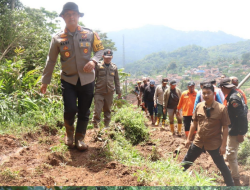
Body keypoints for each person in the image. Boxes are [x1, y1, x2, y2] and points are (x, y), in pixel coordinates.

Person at [40, 2, 104, 151]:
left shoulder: (89, 34)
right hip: (68, 79)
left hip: (87, 80)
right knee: (69, 108)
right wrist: (45, 81)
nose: (71, 17)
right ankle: (69, 134)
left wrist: (94, 61)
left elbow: (100, 51)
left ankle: (80, 138)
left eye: (73, 14)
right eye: (67, 14)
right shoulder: (57, 38)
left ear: (78, 16)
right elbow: (51, 60)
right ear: (63, 17)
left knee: (84, 110)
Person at [182, 83, 234, 186]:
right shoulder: (199, 106)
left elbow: (225, 128)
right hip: (198, 141)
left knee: (222, 167)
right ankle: (174, 181)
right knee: (185, 163)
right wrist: (188, 139)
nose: (205, 95)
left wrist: (223, 146)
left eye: (208, 93)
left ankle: (231, 186)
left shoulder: (221, 109)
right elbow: (194, 123)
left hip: (214, 143)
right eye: (204, 93)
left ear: (213, 93)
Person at [219, 78, 248, 186]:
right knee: (229, 153)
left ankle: (235, 179)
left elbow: (242, 116)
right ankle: (229, 172)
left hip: (235, 130)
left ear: (223, 88)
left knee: (231, 155)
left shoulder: (233, 98)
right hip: (233, 129)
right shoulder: (236, 94)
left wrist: (241, 133)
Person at [92, 49, 121, 128]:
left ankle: (106, 127)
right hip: (99, 92)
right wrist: (91, 90)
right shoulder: (98, 66)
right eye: (106, 57)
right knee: (97, 110)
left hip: (109, 92)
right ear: (103, 56)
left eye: (110, 57)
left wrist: (118, 91)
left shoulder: (114, 67)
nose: (108, 59)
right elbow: (93, 78)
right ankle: (96, 127)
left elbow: (117, 80)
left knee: (107, 110)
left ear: (112, 57)